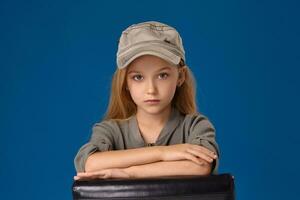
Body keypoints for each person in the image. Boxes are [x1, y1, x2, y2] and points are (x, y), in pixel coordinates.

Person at [73, 21, 220, 180]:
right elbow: (91, 163)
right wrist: (163, 153)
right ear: (125, 83)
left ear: (180, 76)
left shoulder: (195, 126)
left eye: (162, 75)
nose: (151, 89)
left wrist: (129, 173)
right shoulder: (110, 130)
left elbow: (200, 165)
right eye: (138, 77)